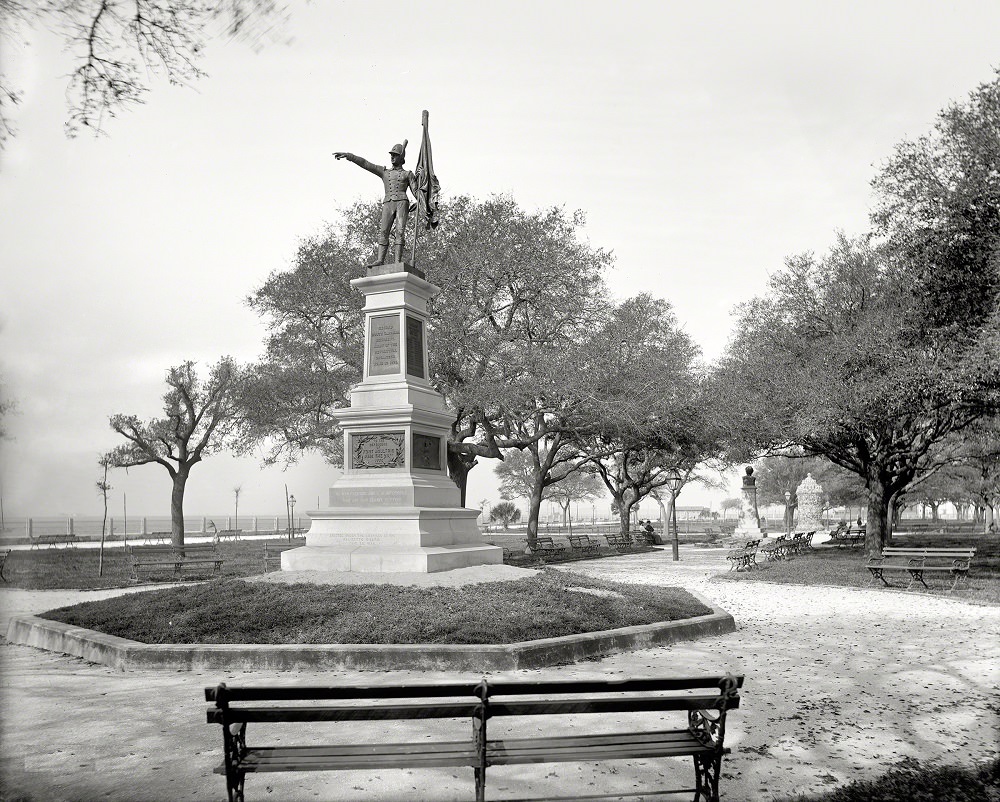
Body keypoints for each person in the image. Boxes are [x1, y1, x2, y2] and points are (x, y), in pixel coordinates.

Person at [334, 142, 418, 266]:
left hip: (402, 202)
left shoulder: (408, 174)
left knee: (400, 231)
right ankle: (380, 260)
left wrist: (418, 201)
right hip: (388, 203)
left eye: (395, 155)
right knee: (384, 231)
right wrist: (349, 156)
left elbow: (416, 192)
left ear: (401, 157)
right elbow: (366, 164)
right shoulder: (384, 172)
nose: (392, 157)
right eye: (391, 155)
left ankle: (397, 262)